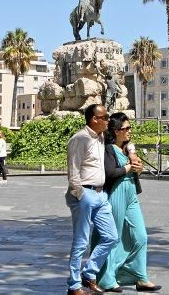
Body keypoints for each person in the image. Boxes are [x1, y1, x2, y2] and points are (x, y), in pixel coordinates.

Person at [95, 112, 161, 293]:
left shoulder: (128, 149)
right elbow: (109, 173)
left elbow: (134, 171)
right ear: (116, 131)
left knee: (141, 236)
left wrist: (137, 170)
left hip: (131, 193)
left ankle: (139, 276)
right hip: (116, 193)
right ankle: (107, 278)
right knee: (113, 237)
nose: (129, 131)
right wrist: (129, 167)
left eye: (130, 127)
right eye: (126, 128)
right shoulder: (108, 148)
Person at [65, 104, 118, 295]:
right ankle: (74, 284)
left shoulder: (101, 136)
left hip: (100, 195)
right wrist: (80, 194)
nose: (108, 120)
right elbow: (73, 170)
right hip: (85, 194)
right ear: (94, 119)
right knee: (81, 241)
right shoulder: (80, 138)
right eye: (105, 117)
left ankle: (89, 273)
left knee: (111, 236)